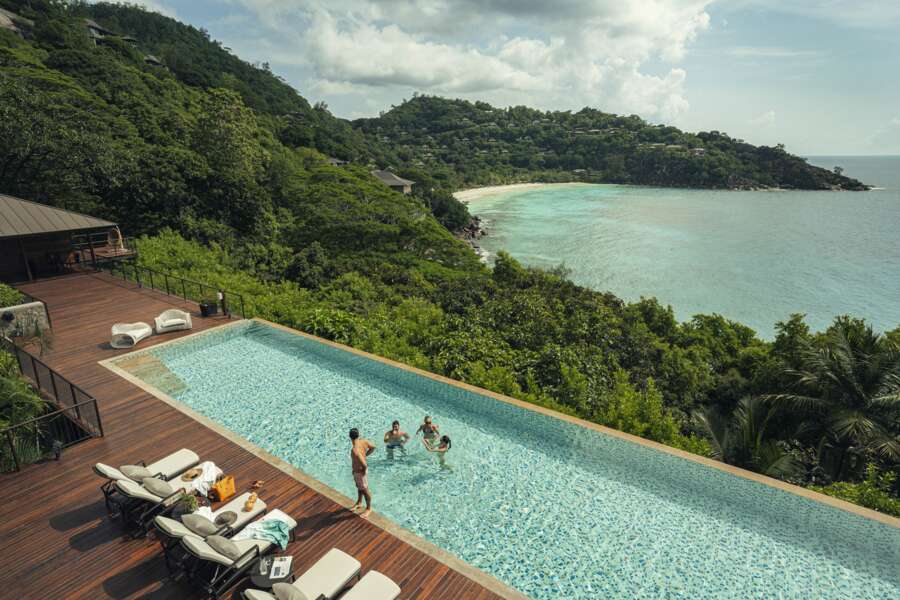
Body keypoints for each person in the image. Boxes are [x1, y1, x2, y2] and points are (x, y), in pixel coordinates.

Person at [349, 428, 376, 518]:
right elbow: (373, 447)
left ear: (350, 437)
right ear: (358, 435)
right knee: (359, 487)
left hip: (360, 472)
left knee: (365, 490)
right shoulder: (364, 441)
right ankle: (359, 502)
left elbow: (364, 465)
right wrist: (365, 455)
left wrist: (363, 472)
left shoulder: (354, 450)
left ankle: (369, 508)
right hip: (358, 472)